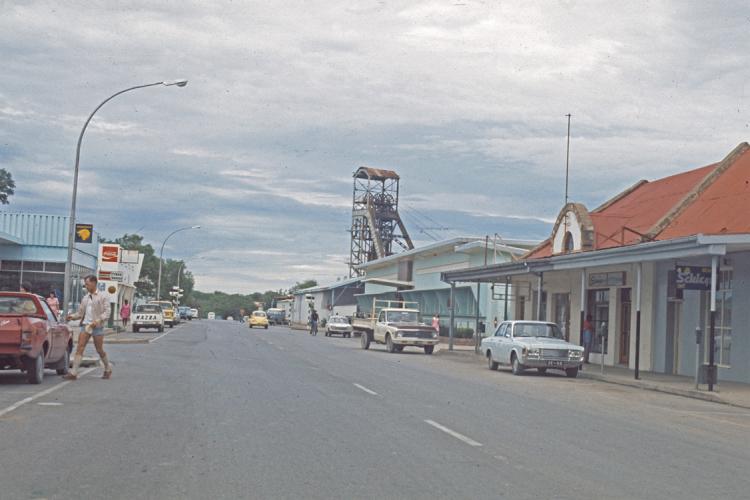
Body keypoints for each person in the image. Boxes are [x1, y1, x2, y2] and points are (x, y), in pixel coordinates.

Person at [64, 275, 112, 380]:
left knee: (99, 349)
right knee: (80, 347)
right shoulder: (85, 298)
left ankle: (107, 368)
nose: (86, 286)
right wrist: (72, 317)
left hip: (97, 326)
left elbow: (107, 312)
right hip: (86, 326)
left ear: (94, 283)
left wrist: (98, 320)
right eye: (85, 284)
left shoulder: (103, 296)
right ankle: (73, 373)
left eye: (87, 284)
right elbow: (80, 313)